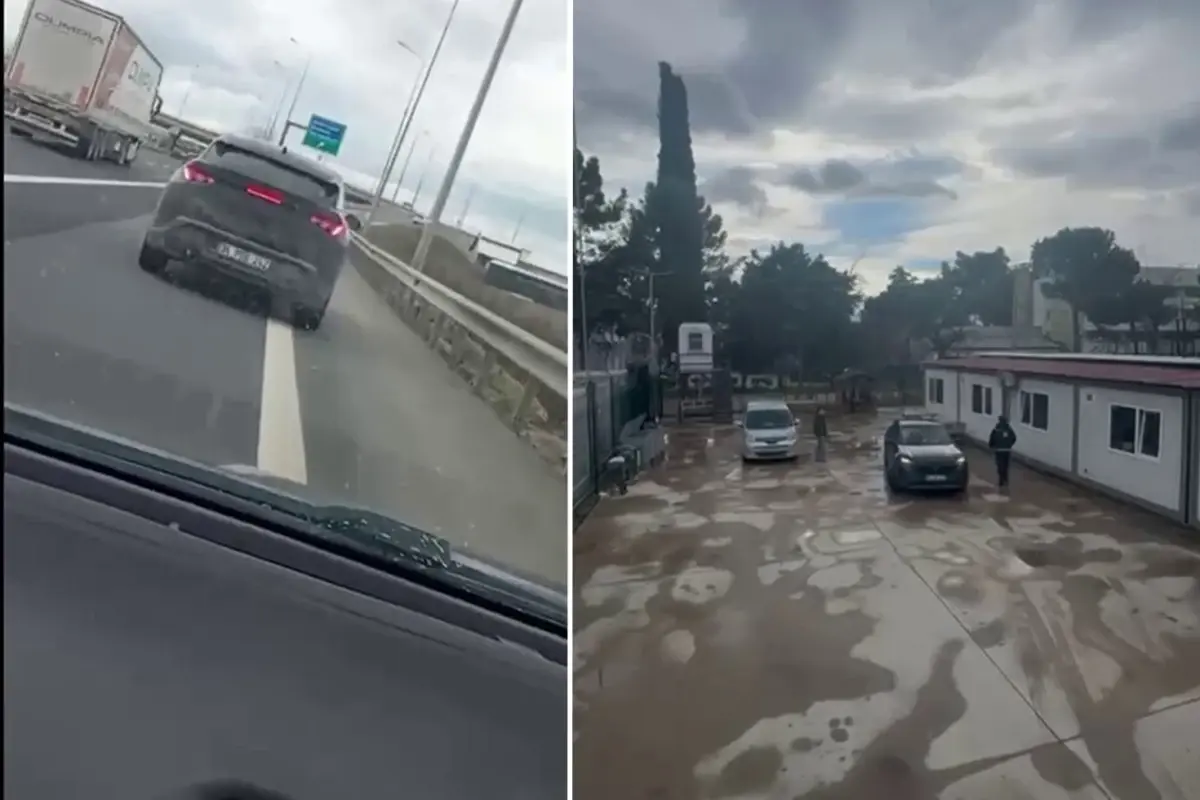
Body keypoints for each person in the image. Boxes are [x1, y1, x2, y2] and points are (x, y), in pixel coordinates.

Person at [988, 415, 1018, 488]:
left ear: (999, 420)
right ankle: (1006, 480)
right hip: (1007, 450)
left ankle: (1001, 480)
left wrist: (992, 446)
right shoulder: (1009, 429)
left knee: (1000, 465)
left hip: (999, 450)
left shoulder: (996, 429)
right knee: (1006, 466)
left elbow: (992, 439)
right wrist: (1009, 444)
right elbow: (1014, 438)